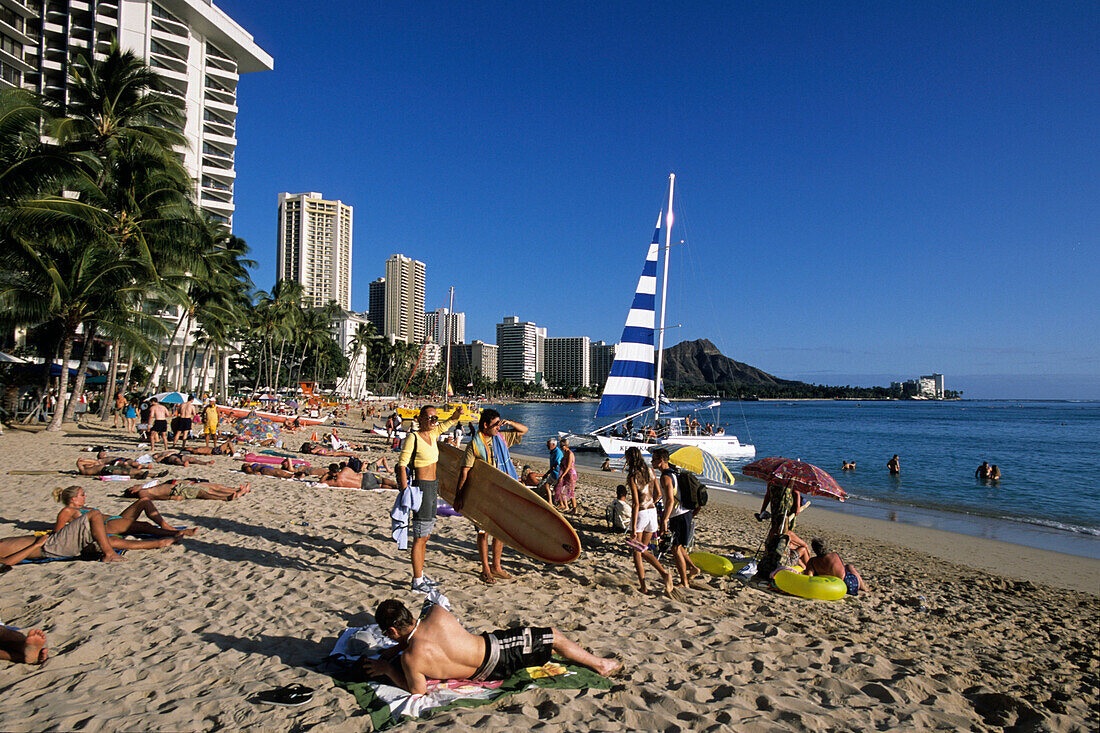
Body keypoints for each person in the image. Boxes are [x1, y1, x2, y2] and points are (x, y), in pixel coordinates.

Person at [363, 599, 621, 694]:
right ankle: (601, 665)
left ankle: (584, 659)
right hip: (497, 650)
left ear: (393, 631)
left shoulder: (411, 659)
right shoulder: (437, 613)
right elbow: (423, 633)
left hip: (485, 672)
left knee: (544, 646)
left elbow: (416, 691)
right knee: (552, 636)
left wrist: (388, 668)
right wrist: (395, 651)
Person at [454, 409, 527, 584]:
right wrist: (459, 496)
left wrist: (508, 422)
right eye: (495, 424)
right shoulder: (475, 445)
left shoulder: (501, 438)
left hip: (501, 494)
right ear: (485, 425)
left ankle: (497, 566)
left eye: (499, 423)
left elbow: (524, 430)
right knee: (483, 531)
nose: (498, 427)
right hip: (482, 495)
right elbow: (465, 472)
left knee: (499, 531)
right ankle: (485, 568)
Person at [396, 405, 465, 591]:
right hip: (421, 488)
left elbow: (445, 426)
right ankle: (417, 581)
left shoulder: (433, 435)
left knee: (425, 535)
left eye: (435, 418)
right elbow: (401, 465)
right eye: (430, 418)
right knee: (420, 536)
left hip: (433, 487)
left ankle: (420, 575)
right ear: (419, 419)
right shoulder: (414, 438)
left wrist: (455, 416)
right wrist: (404, 492)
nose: (434, 421)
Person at [0, 509, 176, 567]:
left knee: (105, 539)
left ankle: (157, 543)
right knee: (94, 515)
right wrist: (35, 544)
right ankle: (109, 554)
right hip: (49, 547)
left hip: (51, 543)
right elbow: (7, 562)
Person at [623, 446, 675, 598]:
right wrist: (652, 504)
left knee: (639, 551)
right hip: (652, 513)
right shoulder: (651, 471)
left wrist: (632, 527)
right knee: (642, 549)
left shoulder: (632, 475)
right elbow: (658, 494)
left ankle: (656, 579)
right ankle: (648, 583)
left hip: (641, 514)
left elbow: (635, 504)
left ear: (630, 459)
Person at [53, 486, 195, 538]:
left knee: (144, 500)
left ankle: (165, 525)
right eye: (82, 494)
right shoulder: (67, 511)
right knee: (145, 526)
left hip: (115, 519)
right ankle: (175, 533)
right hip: (107, 526)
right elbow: (59, 533)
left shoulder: (82, 508)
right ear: (73, 499)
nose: (85, 496)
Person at [651, 447, 702, 588]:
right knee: (679, 546)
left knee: (675, 548)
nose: (651, 462)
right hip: (684, 513)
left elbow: (670, 501)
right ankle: (693, 568)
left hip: (678, 515)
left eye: (654, 459)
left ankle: (684, 581)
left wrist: (664, 520)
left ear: (661, 460)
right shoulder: (674, 472)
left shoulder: (666, 477)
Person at [124, 479, 250, 502]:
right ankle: (227, 497)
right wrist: (172, 498)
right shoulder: (142, 492)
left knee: (207, 488)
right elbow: (154, 497)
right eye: (132, 487)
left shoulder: (146, 487)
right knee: (203, 492)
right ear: (133, 492)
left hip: (178, 487)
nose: (134, 486)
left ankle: (235, 492)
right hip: (176, 491)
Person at [76, 453, 164, 479]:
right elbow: (79, 462)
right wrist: (83, 461)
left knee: (128, 471)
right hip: (105, 470)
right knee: (125, 472)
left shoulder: (94, 464)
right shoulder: (85, 470)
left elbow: (92, 462)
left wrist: (86, 460)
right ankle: (145, 474)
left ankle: (154, 474)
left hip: (107, 468)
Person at [553, 437, 578, 514]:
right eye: (560, 446)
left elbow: (568, 466)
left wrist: (562, 476)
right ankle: (565, 505)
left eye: (562, 446)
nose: (561, 448)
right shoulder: (565, 453)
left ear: (566, 445)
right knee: (560, 489)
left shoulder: (570, 454)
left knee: (570, 491)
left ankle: (574, 508)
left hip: (571, 474)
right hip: (566, 473)